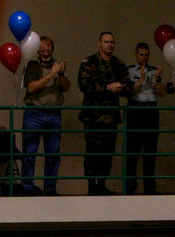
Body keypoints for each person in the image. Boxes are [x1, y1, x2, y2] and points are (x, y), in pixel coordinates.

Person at [78, 32, 132, 195]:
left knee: (108, 152)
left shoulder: (119, 64)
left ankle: (102, 184)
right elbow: (84, 84)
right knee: (92, 151)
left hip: (111, 116)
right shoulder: (89, 62)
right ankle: (91, 185)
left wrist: (121, 88)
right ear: (99, 44)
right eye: (106, 42)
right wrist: (107, 87)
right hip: (93, 115)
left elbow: (128, 86)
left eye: (112, 42)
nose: (110, 45)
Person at [19, 36, 70, 196]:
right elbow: (32, 88)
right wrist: (51, 74)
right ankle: (27, 188)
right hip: (35, 113)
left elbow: (66, 87)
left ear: (52, 50)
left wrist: (61, 74)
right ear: (37, 51)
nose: (46, 53)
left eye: (48, 50)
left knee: (53, 154)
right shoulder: (31, 65)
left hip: (54, 113)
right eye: (42, 50)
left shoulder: (57, 64)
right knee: (30, 152)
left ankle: (50, 188)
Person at [123, 42, 167, 196]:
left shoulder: (155, 70)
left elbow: (162, 93)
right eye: (141, 54)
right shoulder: (128, 70)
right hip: (135, 108)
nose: (144, 57)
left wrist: (159, 79)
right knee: (132, 151)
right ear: (136, 55)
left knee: (150, 150)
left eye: (146, 55)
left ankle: (150, 187)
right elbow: (127, 92)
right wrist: (141, 79)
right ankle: (129, 186)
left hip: (151, 110)